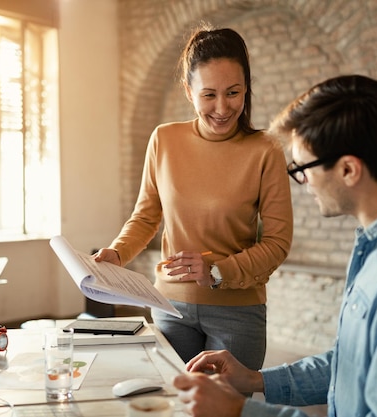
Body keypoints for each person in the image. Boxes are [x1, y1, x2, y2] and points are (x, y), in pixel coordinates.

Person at [173, 74, 377, 417]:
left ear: (349, 169)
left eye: (303, 168)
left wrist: (241, 412)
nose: (302, 182)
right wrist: (255, 380)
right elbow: (352, 365)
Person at [93, 24, 293, 370]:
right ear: (189, 91)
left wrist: (217, 271)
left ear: (247, 88)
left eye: (233, 92)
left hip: (238, 313)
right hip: (170, 306)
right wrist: (117, 252)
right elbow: (146, 216)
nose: (222, 108)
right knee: (173, 405)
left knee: (222, 409)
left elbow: (278, 241)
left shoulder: (265, 150)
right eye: (208, 95)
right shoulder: (164, 140)